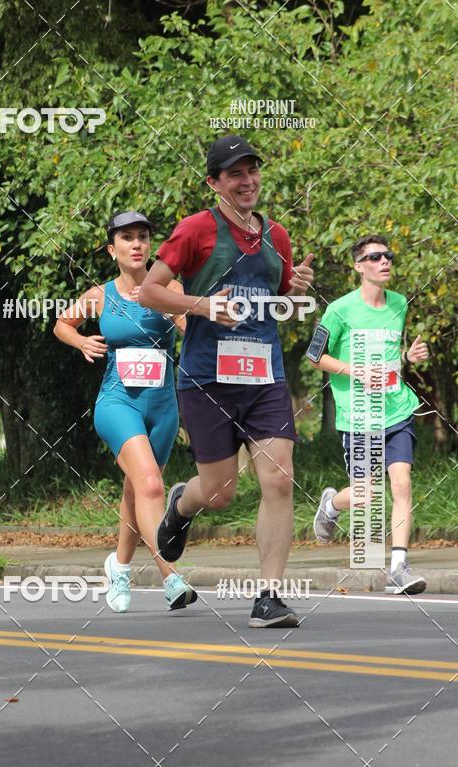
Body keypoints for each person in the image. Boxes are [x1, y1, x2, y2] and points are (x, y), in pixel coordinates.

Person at [139, 136, 314, 628]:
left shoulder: (276, 236)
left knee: (279, 479)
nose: (247, 181)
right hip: (207, 380)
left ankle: (269, 596)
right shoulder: (195, 230)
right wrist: (202, 305)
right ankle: (181, 505)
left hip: (264, 376)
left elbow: (274, 291)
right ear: (215, 183)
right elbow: (149, 291)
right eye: (235, 174)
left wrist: (292, 286)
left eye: (252, 170)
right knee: (220, 493)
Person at [53, 210, 196, 612]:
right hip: (118, 402)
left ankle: (118, 566)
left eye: (143, 237)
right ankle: (169, 576)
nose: (136, 244)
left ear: (150, 246)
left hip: (164, 407)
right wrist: (81, 342)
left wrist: (176, 313)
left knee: (137, 489)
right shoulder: (100, 295)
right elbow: (62, 324)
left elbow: (195, 329)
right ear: (112, 248)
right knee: (151, 484)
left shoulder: (170, 287)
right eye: (127, 238)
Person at [310, 234, 429, 594]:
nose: (385, 262)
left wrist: (407, 358)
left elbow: (388, 355)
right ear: (358, 266)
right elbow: (315, 356)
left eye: (388, 256)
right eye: (375, 257)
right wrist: (354, 370)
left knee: (402, 484)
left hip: (397, 410)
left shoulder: (398, 304)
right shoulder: (340, 310)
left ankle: (397, 568)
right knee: (366, 496)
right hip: (358, 416)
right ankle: (331, 504)